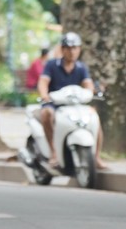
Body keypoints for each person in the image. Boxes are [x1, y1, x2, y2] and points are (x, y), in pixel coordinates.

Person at [37, 31, 106, 170]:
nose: (72, 51)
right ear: (63, 50)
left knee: (94, 117)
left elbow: (88, 85)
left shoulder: (81, 67)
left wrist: (94, 91)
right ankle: (54, 152)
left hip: (75, 105)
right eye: (68, 48)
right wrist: (44, 95)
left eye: (75, 48)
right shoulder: (52, 65)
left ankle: (96, 157)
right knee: (46, 114)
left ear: (79, 49)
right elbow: (43, 82)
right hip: (55, 104)